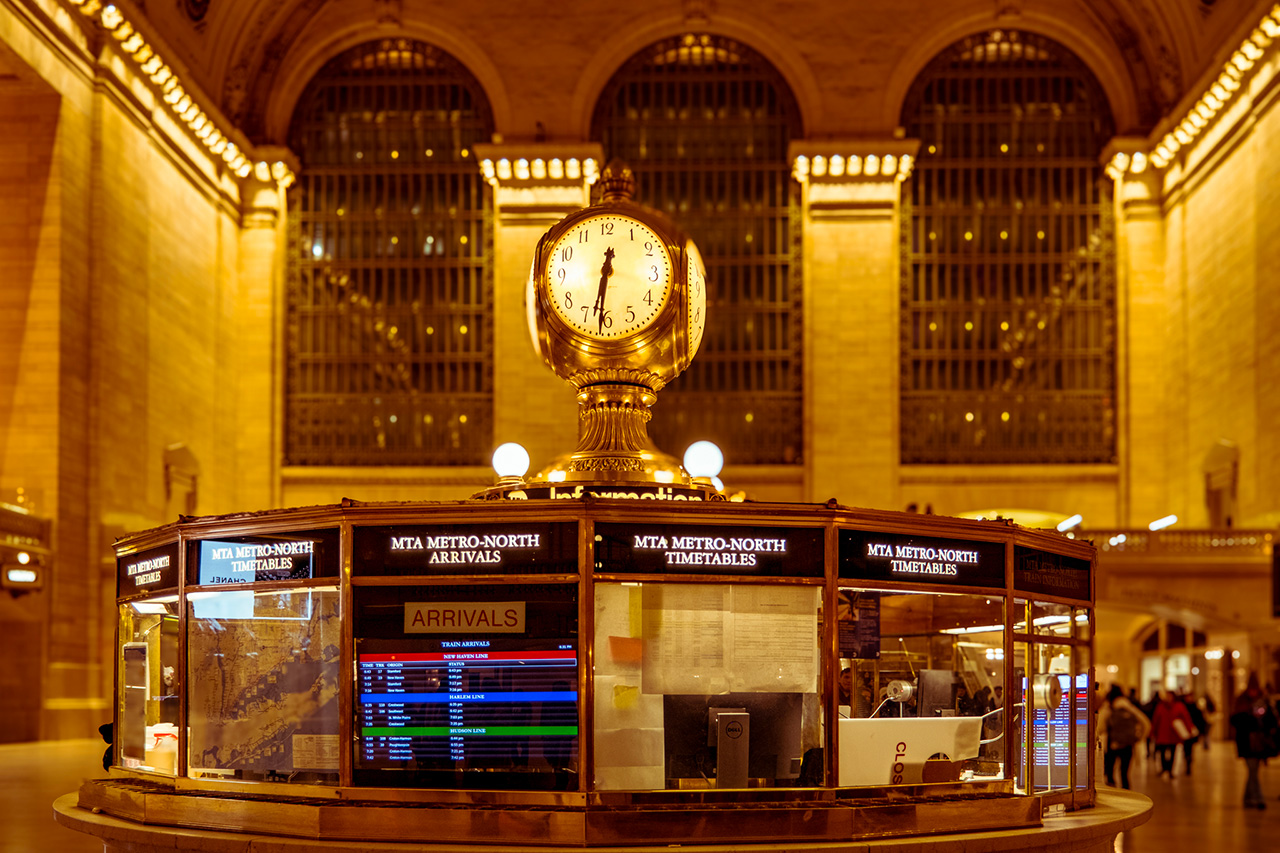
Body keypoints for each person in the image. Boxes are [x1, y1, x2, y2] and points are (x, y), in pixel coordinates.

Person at [1229, 673, 1279, 809]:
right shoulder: (1241, 702)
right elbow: (1234, 720)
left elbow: (1272, 722)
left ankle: (1247, 799)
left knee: (1253, 771)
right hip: (1246, 742)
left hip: (1259, 743)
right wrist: (1250, 718)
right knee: (1252, 770)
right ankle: (1258, 798)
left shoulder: (1264, 701)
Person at [1098, 684, 1149, 789]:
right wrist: (1140, 738)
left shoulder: (1109, 708)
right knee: (1124, 772)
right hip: (1127, 744)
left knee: (1110, 771)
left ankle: (1112, 789)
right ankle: (1126, 792)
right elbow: (1146, 723)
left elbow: (1100, 727)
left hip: (1112, 744)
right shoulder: (1129, 707)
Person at [1150, 690, 1194, 778]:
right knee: (1162, 753)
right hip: (1162, 734)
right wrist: (1153, 732)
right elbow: (1156, 720)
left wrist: (1190, 730)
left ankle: (1170, 770)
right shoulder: (1160, 706)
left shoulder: (1179, 706)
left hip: (1173, 735)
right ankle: (1164, 768)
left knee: (1173, 753)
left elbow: (1186, 718)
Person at [1179, 692, 1207, 775]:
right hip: (1184, 732)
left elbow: (1201, 721)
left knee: (1189, 748)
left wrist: (1201, 731)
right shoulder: (1182, 708)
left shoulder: (1196, 709)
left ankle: (1189, 763)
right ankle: (1187, 760)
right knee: (1186, 748)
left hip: (1192, 732)